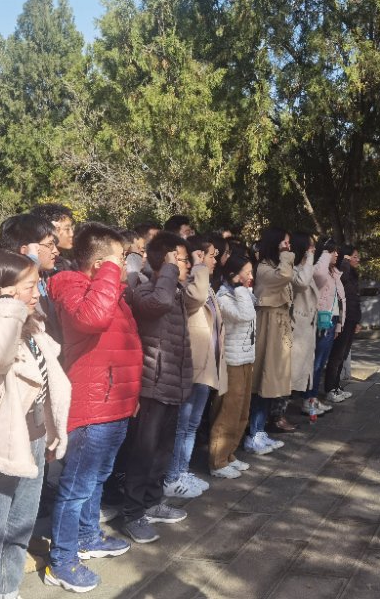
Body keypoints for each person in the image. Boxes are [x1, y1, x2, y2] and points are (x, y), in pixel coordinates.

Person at [0, 249, 71, 599]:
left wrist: (52, 431)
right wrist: (6, 306)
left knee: (18, 531)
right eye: (29, 286)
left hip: (31, 440)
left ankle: (6, 591)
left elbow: (48, 380)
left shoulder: (29, 324)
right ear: (3, 288)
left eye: (37, 284)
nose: (37, 293)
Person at [45, 223, 142, 592]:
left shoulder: (109, 291)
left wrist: (130, 399)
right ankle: (62, 560)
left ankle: (87, 537)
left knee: (96, 479)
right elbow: (93, 319)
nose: (125, 264)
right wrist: (109, 272)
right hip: (92, 407)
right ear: (101, 263)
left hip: (114, 404)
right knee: (76, 488)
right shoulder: (71, 285)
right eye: (120, 258)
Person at [120, 232, 194, 543]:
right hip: (151, 385)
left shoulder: (174, 290)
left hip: (172, 385)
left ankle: (152, 503)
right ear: (166, 260)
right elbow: (158, 303)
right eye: (181, 259)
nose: (186, 265)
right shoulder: (145, 288)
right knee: (143, 454)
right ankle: (132, 513)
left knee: (162, 452)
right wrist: (168, 268)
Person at [163, 235, 226, 499]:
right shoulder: (188, 288)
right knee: (182, 425)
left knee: (192, 425)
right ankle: (172, 476)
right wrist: (199, 266)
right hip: (190, 366)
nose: (214, 261)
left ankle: (182, 471)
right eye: (209, 255)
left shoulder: (205, 286)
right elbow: (197, 297)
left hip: (205, 365)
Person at [212, 251, 258, 475]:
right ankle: (218, 461)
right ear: (233, 275)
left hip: (246, 358)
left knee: (242, 411)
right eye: (246, 273)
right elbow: (245, 315)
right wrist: (239, 287)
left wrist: (242, 288)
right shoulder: (224, 297)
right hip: (232, 361)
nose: (251, 277)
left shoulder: (243, 294)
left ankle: (230, 454)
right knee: (228, 412)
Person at [248, 228, 295, 452]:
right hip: (268, 328)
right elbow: (284, 276)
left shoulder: (276, 266)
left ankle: (260, 431)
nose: (288, 247)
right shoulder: (264, 268)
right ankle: (254, 433)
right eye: (284, 243)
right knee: (263, 382)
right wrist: (286, 257)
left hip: (278, 327)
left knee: (272, 382)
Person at [0, 213, 63, 343]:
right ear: (26, 250)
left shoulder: (46, 277)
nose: (56, 251)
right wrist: (31, 262)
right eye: (50, 245)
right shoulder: (10, 289)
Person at [288, 232, 331, 417]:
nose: (313, 249)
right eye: (310, 246)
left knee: (308, 368)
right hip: (297, 326)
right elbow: (302, 283)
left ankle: (308, 401)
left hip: (307, 326)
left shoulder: (304, 267)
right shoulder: (293, 269)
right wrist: (312, 257)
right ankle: (278, 414)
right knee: (291, 373)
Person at [306, 238, 346, 405]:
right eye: (332, 251)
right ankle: (309, 399)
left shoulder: (334, 272)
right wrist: (324, 253)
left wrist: (339, 325)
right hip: (322, 321)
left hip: (332, 320)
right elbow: (320, 276)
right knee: (316, 363)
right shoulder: (318, 269)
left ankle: (313, 398)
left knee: (321, 362)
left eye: (336, 251)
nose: (336, 254)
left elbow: (340, 300)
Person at [324, 244, 361, 402]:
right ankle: (330, 389)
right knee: (337, 355)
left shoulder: (353, 274)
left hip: (351, 319)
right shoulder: (342, 272)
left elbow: (355, 299)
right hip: (342, 319)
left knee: (343, 355)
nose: (358, 259)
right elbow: (342, 280)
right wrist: (344, 261)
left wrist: (358, 320)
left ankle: (336, 386)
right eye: (354, 256)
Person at [30, 203, 75, 270]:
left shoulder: (64, 262)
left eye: (72, 228)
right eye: (67, 229)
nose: (71, 234)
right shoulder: (43, 266)